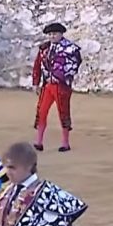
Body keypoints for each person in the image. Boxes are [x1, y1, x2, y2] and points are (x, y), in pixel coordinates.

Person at [32, 23, 82, 152]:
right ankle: (39, 142)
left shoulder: (71, 49)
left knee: (63, 113)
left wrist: (61, 76)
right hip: (48, 85)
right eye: (50, 34)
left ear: (61, 34)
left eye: (54, 34)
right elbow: (37, 65)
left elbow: (74, 66)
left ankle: (65, 143)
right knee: (41, 112)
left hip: (62, 86)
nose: (52, 36)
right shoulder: (44, 48)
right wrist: (36, 83)